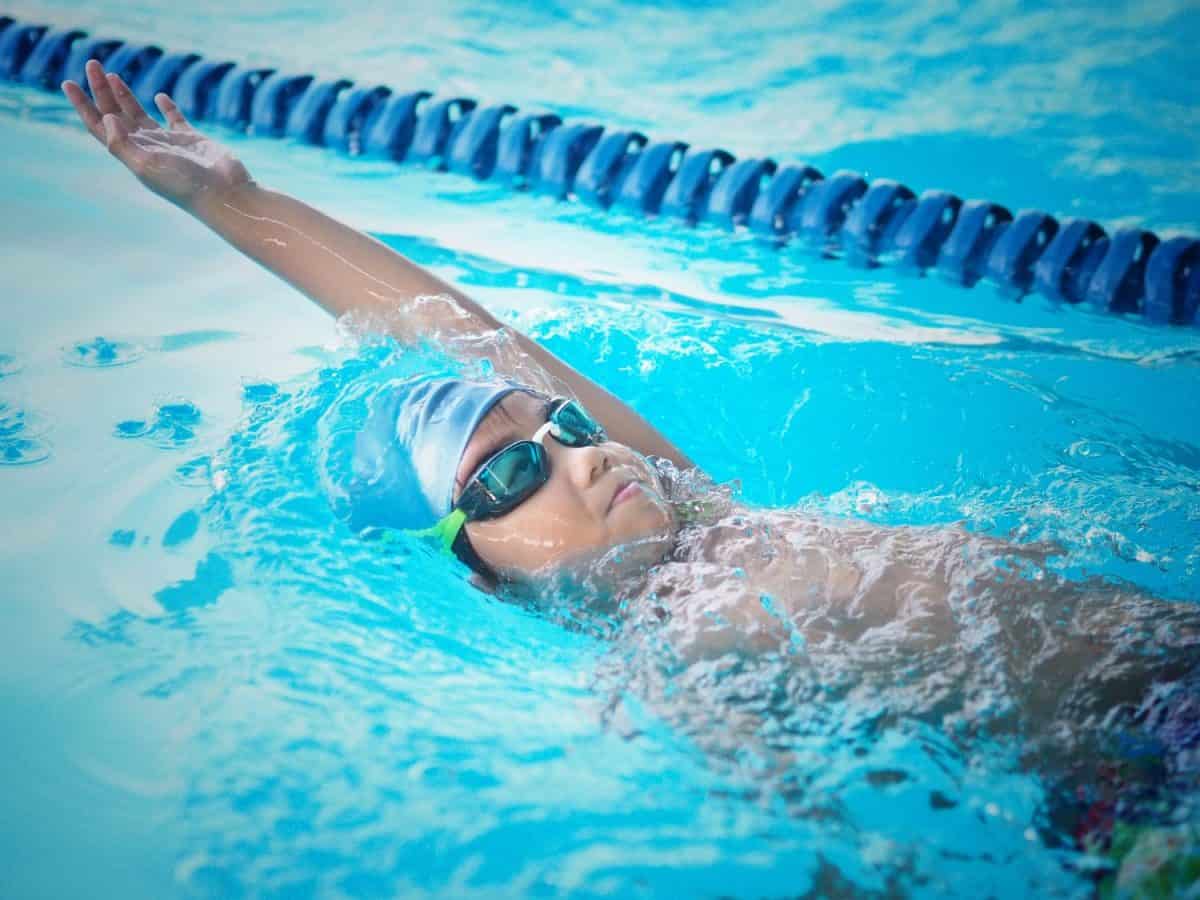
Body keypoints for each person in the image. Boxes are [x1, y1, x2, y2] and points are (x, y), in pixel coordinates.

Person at [63, 61, 1199, 877]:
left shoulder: (699, 514)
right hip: (1139, 786)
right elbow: (845, 843)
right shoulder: (669, 659)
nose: (576, 454)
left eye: (562, 426)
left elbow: (459, 334)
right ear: (477, 570)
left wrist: (239, 203)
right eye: (509, 479)